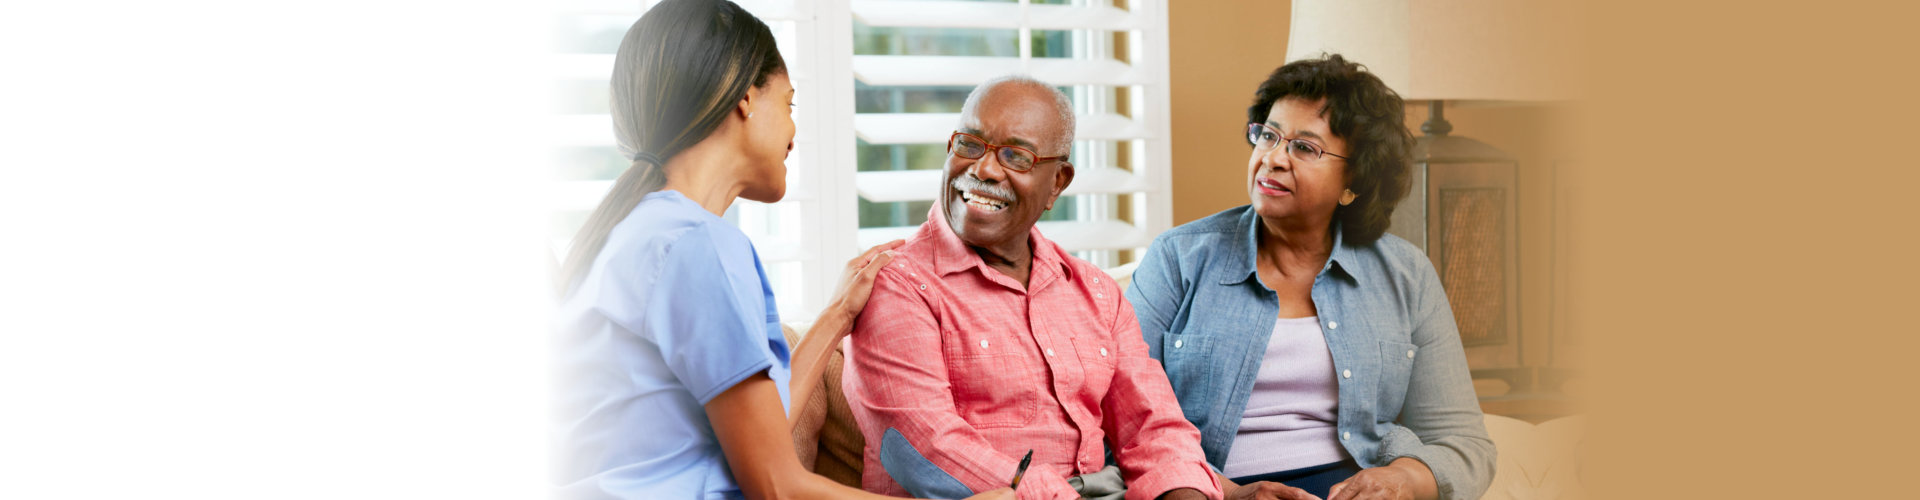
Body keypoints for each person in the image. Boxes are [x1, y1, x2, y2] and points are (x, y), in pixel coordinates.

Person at [546, 1, 1012, 499]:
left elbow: (754, 435)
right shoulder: (700, 246)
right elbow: (775, 485)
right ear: (746, 98)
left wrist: (836, 315)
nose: (792, 135)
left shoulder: (628, 234)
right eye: (789, 105)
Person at [1124, 54, 1495, 500]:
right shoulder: (1179, 259)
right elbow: (1121, 421)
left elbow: (1464, 444)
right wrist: (1224, 492)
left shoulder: (1406, 274)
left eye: (1305, 147)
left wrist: (1405, 479)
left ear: (1352, 184)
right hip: (1210, 488)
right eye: (1269, 135)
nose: (1273, 159)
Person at [841, 75, 1222, 500]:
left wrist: (1185, 491)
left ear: (1057, 182)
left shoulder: (1095, 292)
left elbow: (1154, 429)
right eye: (969, 144)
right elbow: (923, 449)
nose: (983, 169)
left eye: (1015, 156)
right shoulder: (898, 284)